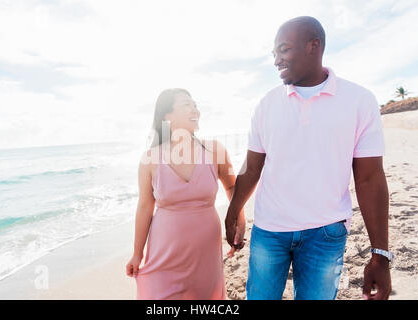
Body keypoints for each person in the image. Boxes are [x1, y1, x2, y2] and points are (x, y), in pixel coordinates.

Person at [225, 16, 392, 300]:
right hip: (269, 231)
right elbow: (253, 167)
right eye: (274, 53)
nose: (276, 60)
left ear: (313, 46)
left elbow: (369, 177)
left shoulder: (359, 100)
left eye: (284, 49)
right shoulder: (267, 103)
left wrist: (380, 254)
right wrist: (233, 210)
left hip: (325, 234)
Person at [126, 88, 246, 299]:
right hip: (165, 250)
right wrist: (137, 253)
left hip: (205, 250)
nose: (195, 110)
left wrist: (239, 221)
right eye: (186, 105)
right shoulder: (150, 159)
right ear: (167, 116)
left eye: (195, 105)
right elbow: (145, 206)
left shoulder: (214, 150)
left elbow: (232, 188)